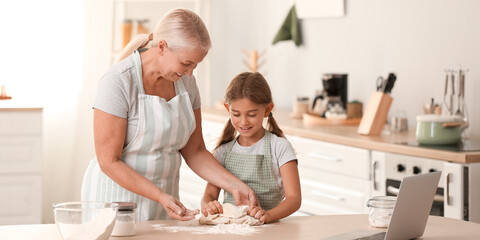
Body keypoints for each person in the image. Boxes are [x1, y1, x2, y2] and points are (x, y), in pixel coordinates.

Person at [81, 8, 258, 221]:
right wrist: (160, 196)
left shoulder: (186, 82)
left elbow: (195, 151)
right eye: (186, 63)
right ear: (163, 47)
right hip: (115, 206)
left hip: (164, 205)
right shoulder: (117, 82)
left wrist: (235, 185)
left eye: (196, 64)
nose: (191, 72)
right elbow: (109, 161)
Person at [201, 72, 302, 223]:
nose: (243, 122)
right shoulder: (223, 152)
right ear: (227, 109)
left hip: (270, 230)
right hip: (230, 229)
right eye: (236, 114)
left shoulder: (279, 147)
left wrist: (268, 216)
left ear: (267, 110)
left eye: (252, 115)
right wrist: (209, 205)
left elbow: (294, 199)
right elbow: (209, 195)